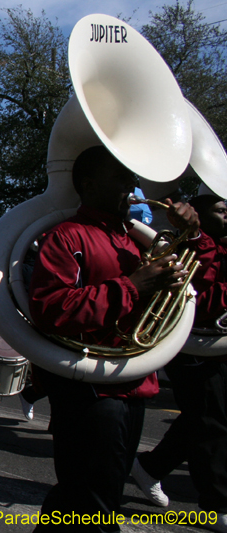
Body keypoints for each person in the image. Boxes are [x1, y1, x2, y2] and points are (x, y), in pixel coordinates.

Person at [28, 145, 205, 532]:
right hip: (90, 390)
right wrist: (132, 286)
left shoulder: (134, 241)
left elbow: (186, 292)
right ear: (89, 185)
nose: (134, 186)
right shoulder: (66, 236)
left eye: (132, 178)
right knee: (95, 506)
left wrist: (190, 237)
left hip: (133, 382)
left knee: (80, 500)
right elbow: (52, 309)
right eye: (121, 178)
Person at [131, 193, 227, 531]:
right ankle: (216, 504)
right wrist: (199, 238)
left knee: (207, 418)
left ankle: (151, 467)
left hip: (217, 343)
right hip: (192, 344)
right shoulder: (185, 244)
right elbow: (203, 296)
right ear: (198, 214)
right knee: (212, 420)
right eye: (219, 210)